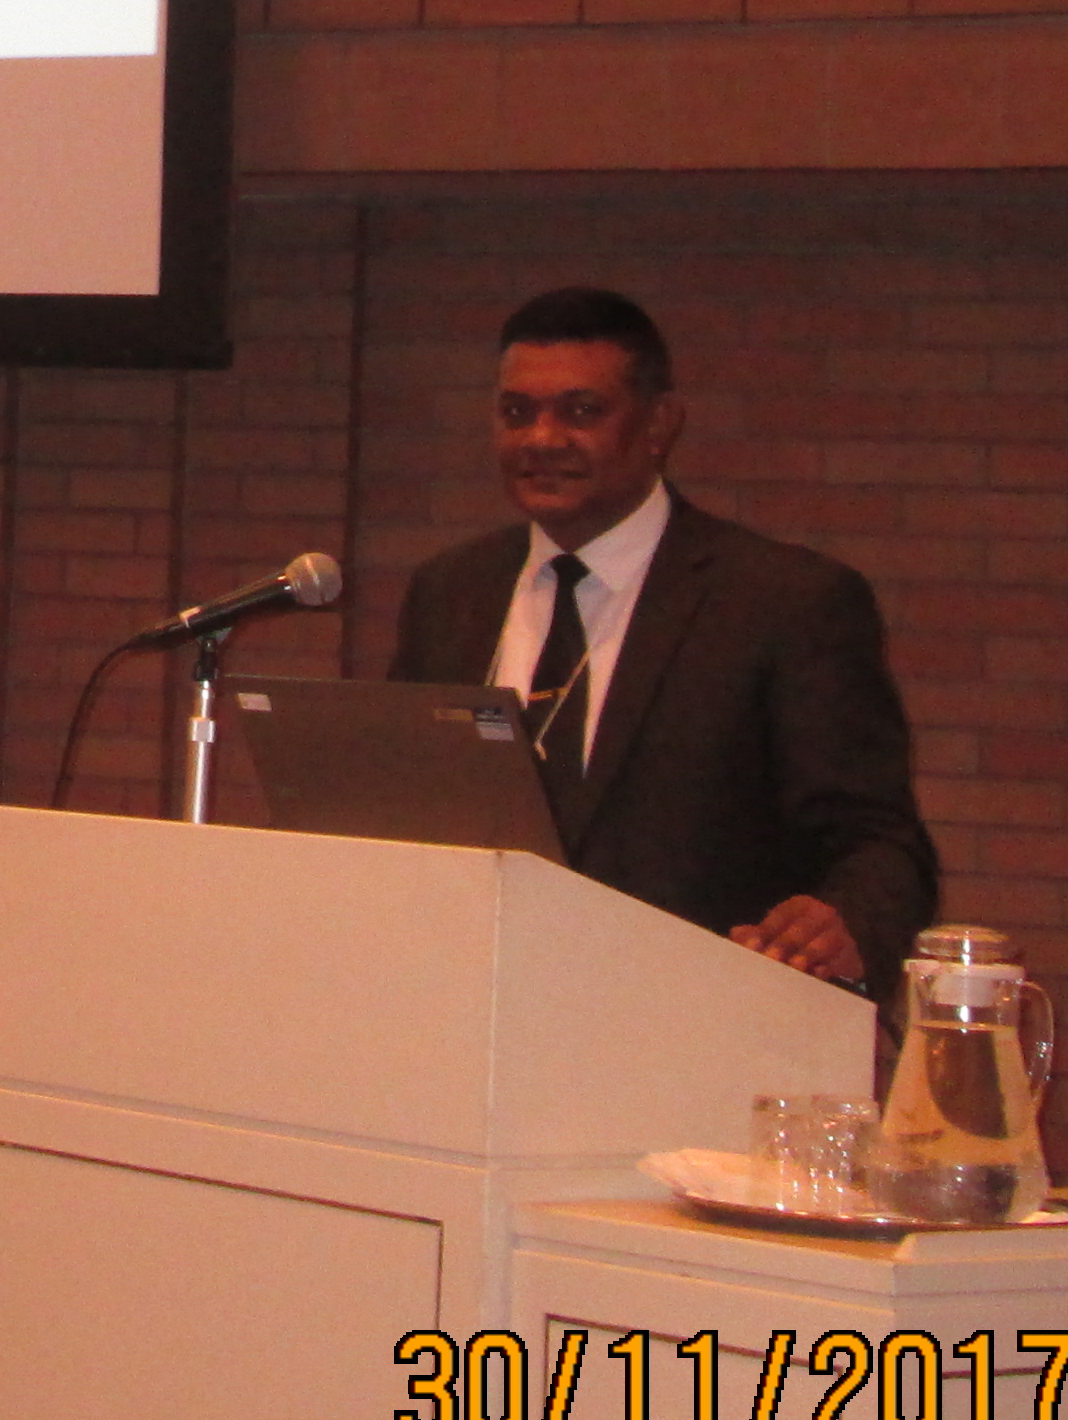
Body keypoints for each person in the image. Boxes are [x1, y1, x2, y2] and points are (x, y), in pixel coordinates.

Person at [388, 285, 937, 993]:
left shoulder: (783, 603)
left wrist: (847, 923)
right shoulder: (450, 594)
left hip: (698, 1012)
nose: (542, 439)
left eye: (581, 412)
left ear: (659, 425)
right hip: (469, 1004)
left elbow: (881, 846)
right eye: (517, 413)